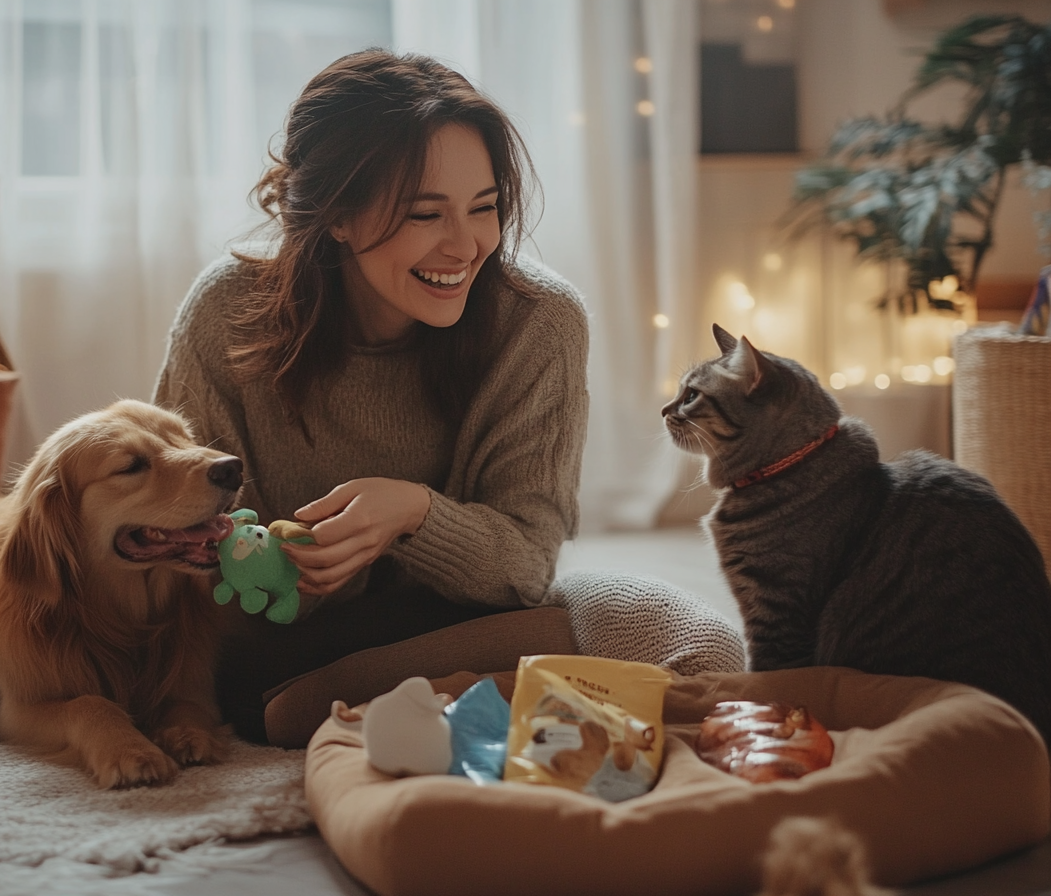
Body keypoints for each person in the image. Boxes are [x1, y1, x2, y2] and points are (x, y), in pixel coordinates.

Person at [155, 49, 743, 742]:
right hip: (262, 637)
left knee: (692, 639)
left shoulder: (539, 321)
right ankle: (333, 704)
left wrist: (413, 514)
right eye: (426, 215)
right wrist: (284, 561)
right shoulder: (228, 310)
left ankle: (341, 705)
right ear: (338, 215)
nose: (466, 246)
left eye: (485, 208)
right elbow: (172, 538)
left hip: (456, 620)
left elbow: (526, 566)